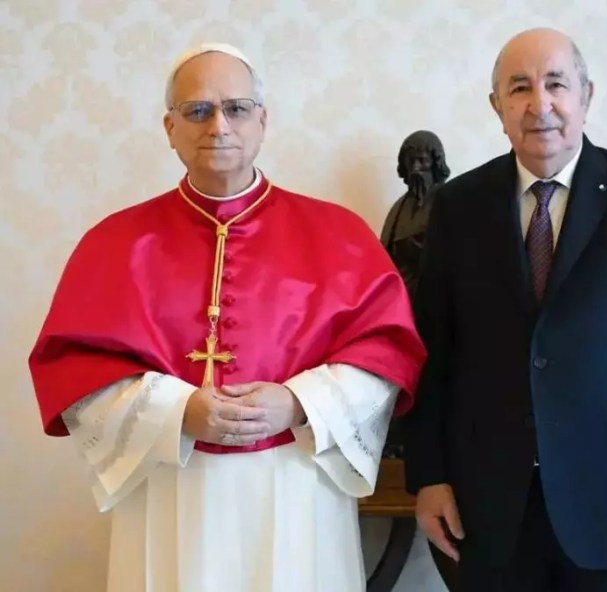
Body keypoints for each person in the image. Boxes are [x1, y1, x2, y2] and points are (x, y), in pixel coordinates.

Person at [28, 43, 426, 592]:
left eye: (236, 108)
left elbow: (387, 354)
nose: (218, 126)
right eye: (198, 111)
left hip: (296, 481)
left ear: (262, 121)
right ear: (170, 128)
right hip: (170, 484)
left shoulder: (339, 235)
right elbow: (75, 368)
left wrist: (297, 402)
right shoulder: (115, 243)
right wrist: (177, 410)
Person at [403, 28, 607, 591]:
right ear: (497, 107)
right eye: (519, 88)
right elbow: (433, 354)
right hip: (491, 503)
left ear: (586, 95)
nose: (540, 104)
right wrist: (428, 476)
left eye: (556, 84)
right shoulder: (458, 207)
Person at [380, 130, 451, 459]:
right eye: (411, 162)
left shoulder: (450, 202)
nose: (417, 169)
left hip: (437, 304)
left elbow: (456, 252)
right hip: (402, 304)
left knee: (435, 375)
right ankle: (397, 439)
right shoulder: (400, 207)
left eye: (423, 161)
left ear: (436, 164)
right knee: (398, 371)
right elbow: (384, 255)